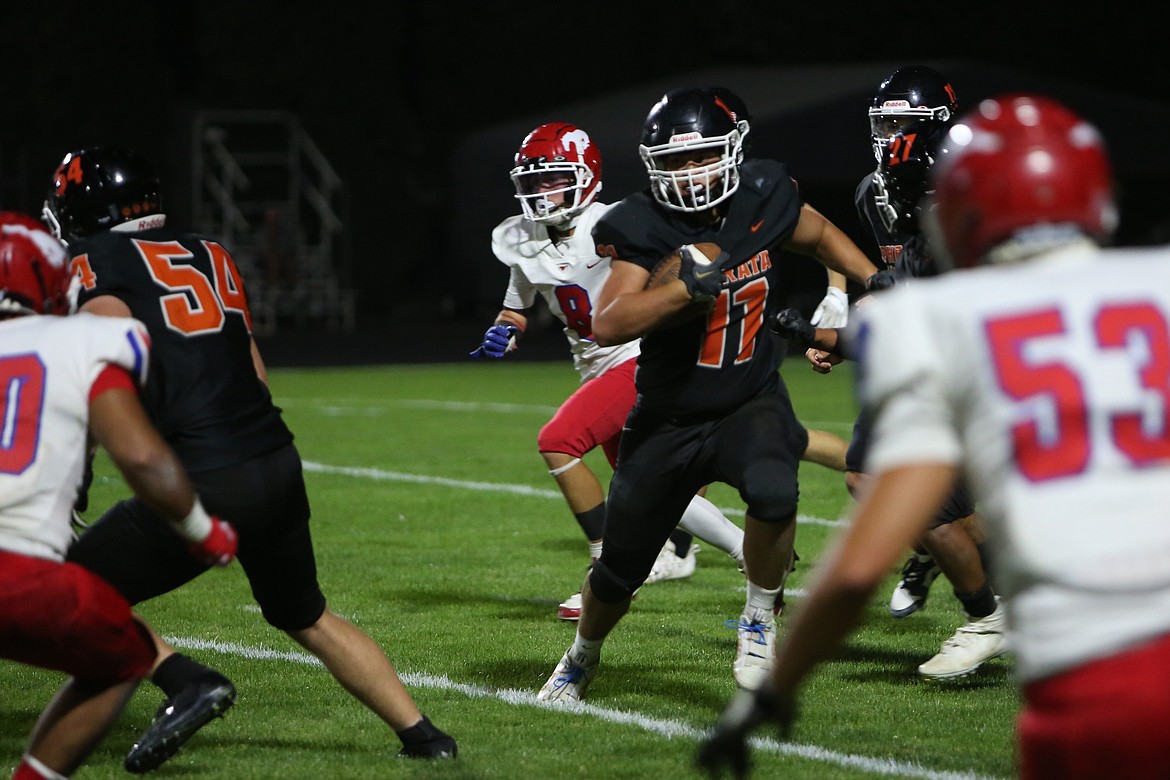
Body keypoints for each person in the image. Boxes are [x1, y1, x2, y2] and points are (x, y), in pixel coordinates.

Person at [698, 95, 1167, 780]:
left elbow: (863, 559)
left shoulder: (933, 320)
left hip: (1093, 686)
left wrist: (777, 686)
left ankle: (980, 604)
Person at [41, 146, 457, 771]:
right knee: (307, 614)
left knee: (65, 592)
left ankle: (183, 680)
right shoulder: (210, 253)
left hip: (202, 474)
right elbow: (255, 374)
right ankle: (425, 735)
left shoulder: (95, 262)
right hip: (273, 459)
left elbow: (97, 361)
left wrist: (77, 458)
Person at [536, 86, 881, 703]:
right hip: (668, 415)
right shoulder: (640, 224)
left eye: (699, 158)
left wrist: (872, 280)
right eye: (673, 162)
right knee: (619, 571)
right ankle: (582, 654)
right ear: (652, 167)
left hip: (750, 397)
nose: (688, 173)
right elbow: (609, 321)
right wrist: (680, 291)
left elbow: (817, 231)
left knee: (776, 491)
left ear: (733, 151)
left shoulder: (762, 192)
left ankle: (758, 616)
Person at [471, 121, 753, 620]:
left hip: (638, 358)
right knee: (647, 485)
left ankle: (607, 571)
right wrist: (506, 328)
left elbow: (681, 266)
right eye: (533, 181)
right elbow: (516, 305)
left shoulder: (618, 224)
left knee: (558, 441)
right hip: (594, 366)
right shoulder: (522, 238)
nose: (542, 192)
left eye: (553, 178)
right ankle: (748, 550)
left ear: (585, 176)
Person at [0, 215, 238, 780]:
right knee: (123, 656)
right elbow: (144, 459)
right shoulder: (82, 340)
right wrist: (205, 531)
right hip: (20, 575)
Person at [811, 65, 1005, 679]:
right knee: (865, 477)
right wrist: (848, 307)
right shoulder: (878, 189)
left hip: (965, 360)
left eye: (902, 124)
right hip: (909, 356)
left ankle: (988, 611)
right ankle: (982, 581)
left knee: (921, 501)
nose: (888, 134)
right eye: (883, 122)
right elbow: (880, 270)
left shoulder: (967, 192)